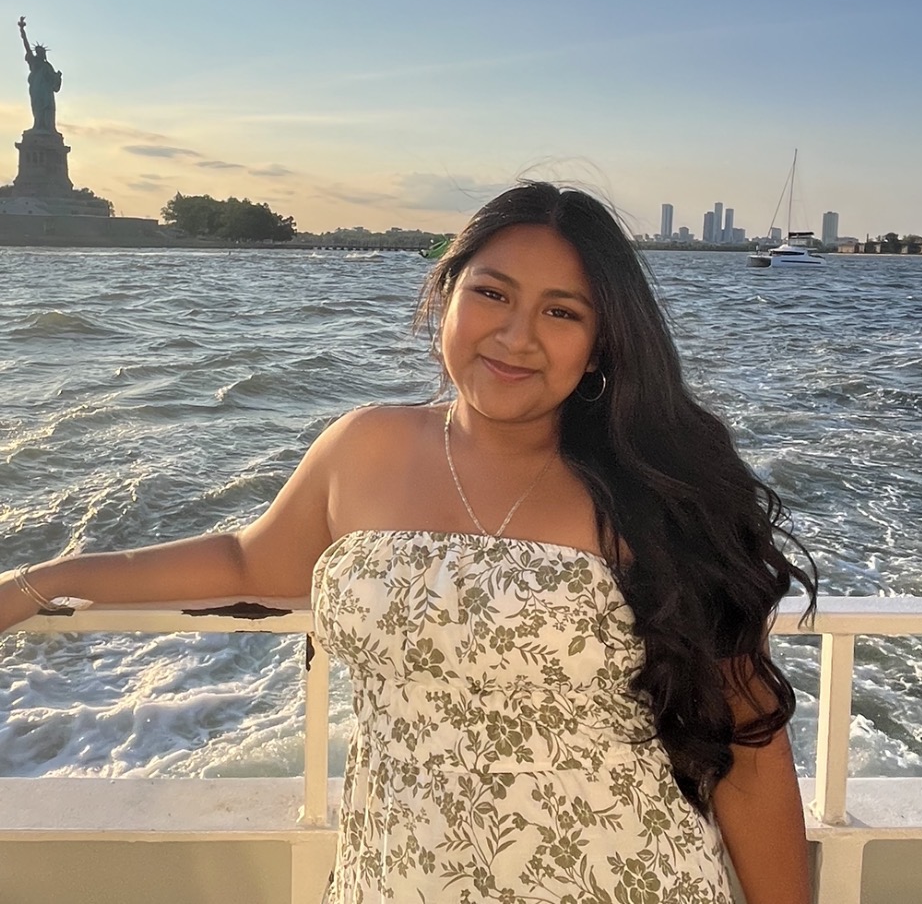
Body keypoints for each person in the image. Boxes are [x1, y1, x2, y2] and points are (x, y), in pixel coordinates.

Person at [0, 181, 818, 904]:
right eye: (492, 294)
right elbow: (251, 561)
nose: (516, 335)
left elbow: (748, 751)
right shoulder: (365, 446)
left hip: (626, 877)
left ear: (602, 341)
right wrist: (41, 580)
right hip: (397, 876)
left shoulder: (655, 489)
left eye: (561, 311)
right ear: (447, 290)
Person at [18, 16, 63, 133]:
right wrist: (22, 30)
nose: (40, 54)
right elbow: (26, 46)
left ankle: (48, 128)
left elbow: (54, 83)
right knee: (37, 108)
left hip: (46, 92)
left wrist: (58, 77)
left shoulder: (47, 66)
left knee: (48, 108)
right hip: (36, 90)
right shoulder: (33, 61)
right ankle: (38, 126)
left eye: (42, 52)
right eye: (38, 52)